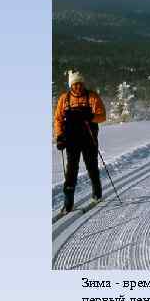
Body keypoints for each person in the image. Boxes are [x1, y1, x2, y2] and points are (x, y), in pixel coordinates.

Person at [54, 70, 107, 215]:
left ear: (83, 83)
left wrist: (90, 116)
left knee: (91, 166)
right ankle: (68, 202)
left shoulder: (92, 96)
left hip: (89, 137)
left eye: (80, 83)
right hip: (71, 139)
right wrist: (59, 137)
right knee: (71, 170)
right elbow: (58, 120)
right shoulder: (64, 99)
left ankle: (97, 193)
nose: (78, 87)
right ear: (71, 85)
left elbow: (102, 116)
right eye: (75, 84)